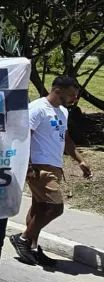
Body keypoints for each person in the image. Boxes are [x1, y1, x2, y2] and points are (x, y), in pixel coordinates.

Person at [9, 76, 93, 266]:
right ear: (58, 90)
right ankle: (22, 239)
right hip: (39, 166)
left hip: (54, 166)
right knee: (55, 207)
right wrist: (28, 165)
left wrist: (80, 160)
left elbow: (66, 138)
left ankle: (32, 247)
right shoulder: (37, 108)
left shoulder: (62, 110)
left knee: (40, 208)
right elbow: (25, 138)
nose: (74, 99)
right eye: (71, 94)